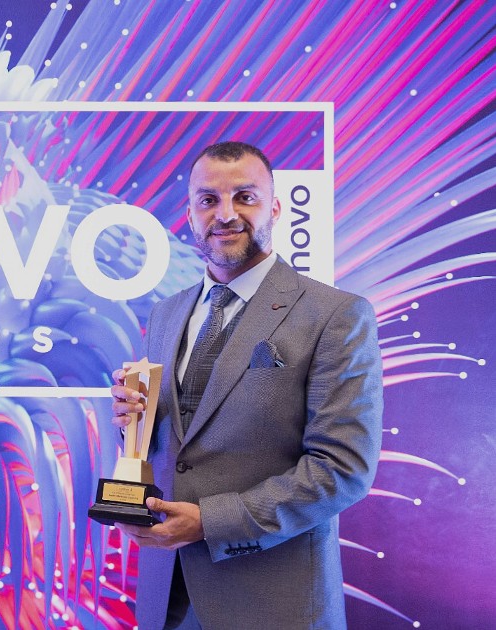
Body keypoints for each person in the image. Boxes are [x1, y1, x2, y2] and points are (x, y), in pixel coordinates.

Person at [110, 141, 383, 629]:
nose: (226, 214)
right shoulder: (166, 313)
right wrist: (135, 420)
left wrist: (211, 522)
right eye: (208, 200)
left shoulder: (336, 315)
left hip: (274, 603)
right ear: (191, 214)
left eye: (245, 197)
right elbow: (180, 450)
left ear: (274, 208)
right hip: (166, 597)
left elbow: (342, 468)